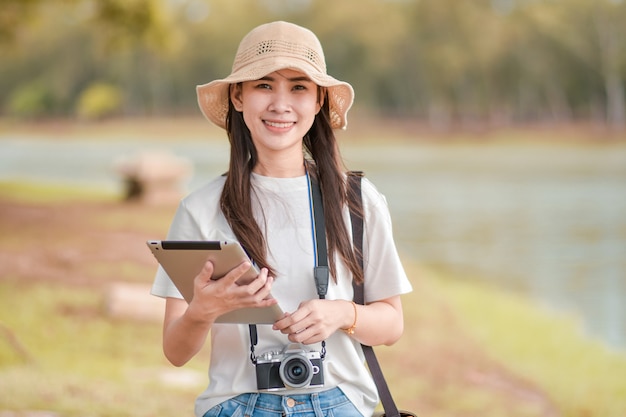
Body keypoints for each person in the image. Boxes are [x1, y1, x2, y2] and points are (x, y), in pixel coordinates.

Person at [151, 21, 412, 417]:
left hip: (341, 404)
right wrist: (203, 310)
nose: (280, 104)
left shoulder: (357, 200)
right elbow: (175, 351)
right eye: (264, 85)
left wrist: (342, 313)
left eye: (299, 87)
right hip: (236, 406)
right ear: (238, 97)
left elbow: (392, 324)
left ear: (319, 100)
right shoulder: (200, 209)